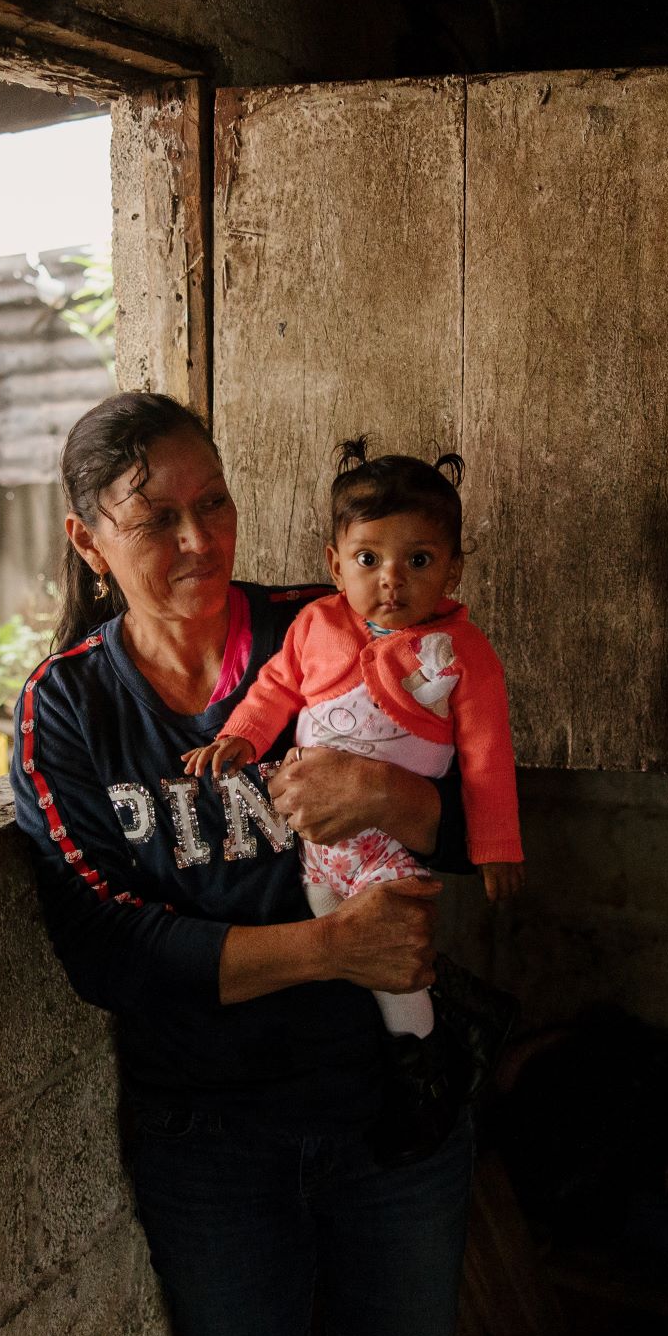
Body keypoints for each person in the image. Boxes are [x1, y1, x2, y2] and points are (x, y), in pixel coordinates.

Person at [9, 392, 475, 1336]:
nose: (198, 540)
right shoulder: (70, 707)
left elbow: (480, 821)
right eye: (155, 520)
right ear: (88, 544)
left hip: (385, 1105)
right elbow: (107, 950)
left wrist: (393, 798)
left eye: (212, 504)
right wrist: (334, 948)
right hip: (208, 1141)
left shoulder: (324, 630)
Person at [184, 437, 523, 1053]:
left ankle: (418, 1053)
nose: (391, 580)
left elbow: (488, 756)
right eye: (369, 560)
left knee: (390, 952)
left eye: (417, 561)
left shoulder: (462, 652)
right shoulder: (314, 623)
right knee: (330, 919)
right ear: (336, 565)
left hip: (391, 848)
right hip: (319, 852)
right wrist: (241, 735)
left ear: (453, 568)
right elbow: (275, 687)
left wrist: (496, 845)